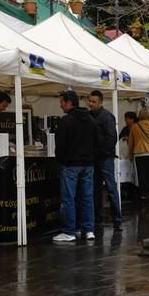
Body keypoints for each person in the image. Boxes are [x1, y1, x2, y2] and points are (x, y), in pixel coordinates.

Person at [53, 90, 100, 242]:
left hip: (70, 165)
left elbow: (60, 145)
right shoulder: (91, 120)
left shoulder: (65, 121)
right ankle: (88, 230)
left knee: (69, 199)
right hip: (88, 164)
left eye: (61, 102)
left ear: (68, 102)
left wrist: (61, 160)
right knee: (87, 198)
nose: (60, 106)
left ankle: (69, 231)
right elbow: (97, 142)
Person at [88, 90, 122, 232]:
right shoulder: (89, 116)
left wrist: (103, 152)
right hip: (95, 157)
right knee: (95, 189)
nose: (90, 104)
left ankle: (117, 220)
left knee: (110, 188)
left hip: (105, 157)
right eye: (89, 101)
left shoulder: (107, 117)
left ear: (101, 102)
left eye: (93, 101)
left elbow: (111, 138)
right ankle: (98, 219)